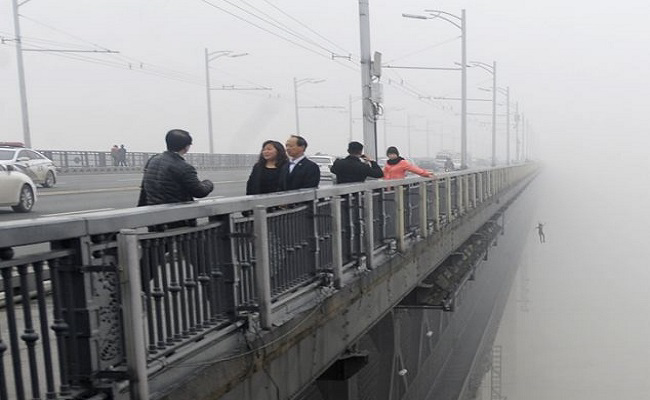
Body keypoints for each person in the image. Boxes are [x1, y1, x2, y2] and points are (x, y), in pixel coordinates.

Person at [137, 129, 214, 229]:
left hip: (155, 220)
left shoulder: (152, 160)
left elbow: (144, 190)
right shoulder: (184, 167)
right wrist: (208, 183)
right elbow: (200, 191)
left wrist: (138, 213)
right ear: (186, 147)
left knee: (157, 243)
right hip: (177, 221)